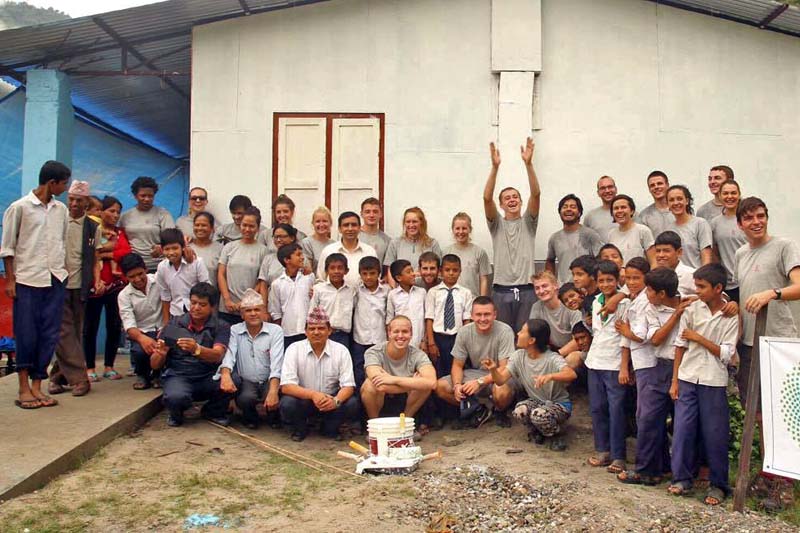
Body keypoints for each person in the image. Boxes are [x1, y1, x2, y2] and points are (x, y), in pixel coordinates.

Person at [1, 160, 71, 409]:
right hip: (27, 279)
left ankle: (37, 386)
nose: (65, 188)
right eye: (63, 183)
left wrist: (63, 273)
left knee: (49, 334)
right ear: (51, 183)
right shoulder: (19, 208)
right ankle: (22, 387)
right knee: (26, 333)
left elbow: (61, 242)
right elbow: (7, 248)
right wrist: (10, 280)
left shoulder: (60, 210)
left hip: (55, 277)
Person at [668, 264, 739, 506]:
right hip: (688, 377)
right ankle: (681, 479)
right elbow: (680, 345)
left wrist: (699, 338)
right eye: (696, 286)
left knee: (715, 434)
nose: (697, 291)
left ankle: (718, 485)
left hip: (713, 380)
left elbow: (727, 353)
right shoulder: (692, 309)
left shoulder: (730, 315)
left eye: (702, 287)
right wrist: (675, 380)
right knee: (682, 430)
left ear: (718, 288)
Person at [617, 267, 684, 485]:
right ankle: (647, 470)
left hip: (684, 368)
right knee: (647, 418)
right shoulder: (652, 308)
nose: (646, 294)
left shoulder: (689, 304)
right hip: (657, 365)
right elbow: (654, 339)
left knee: (682, 422)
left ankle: (680, 473)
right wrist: (675, 316)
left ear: (662, 293)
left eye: (650, 290)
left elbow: (716, 297)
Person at [734, 196, 800, 408]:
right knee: (756, 411)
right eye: (749, 218)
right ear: (740, 224)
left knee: (785, 408)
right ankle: (762, 444)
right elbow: (744, 294)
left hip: (779, 341)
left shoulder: (784, 246)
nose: (756, 222)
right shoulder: (740, 254)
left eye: (761, 216)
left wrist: (772, 293)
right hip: (749, 344)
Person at [483, 319, 577, 450]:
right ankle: (538, 430)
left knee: (538, 415)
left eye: (522, 331)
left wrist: (550, 376)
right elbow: (500, 380)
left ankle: (556, 435)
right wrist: (493, 369)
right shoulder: (518, 356)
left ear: (531, 340)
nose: (518, 333)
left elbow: (571, 374)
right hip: (537, 402)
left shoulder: (552, 357)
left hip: (559, 404)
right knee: (519, 410)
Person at [46, 180, 101, 396]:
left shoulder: (93, 227)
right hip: (57, 283)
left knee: (75, 332)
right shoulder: (58, 220)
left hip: (81, 285)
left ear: (86, 202)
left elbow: (95, 258)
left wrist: (96, 280)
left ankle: (57, 377)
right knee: (62, 330)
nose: (74, 204)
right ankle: (80, 379)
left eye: (79, 200)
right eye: (71, 199)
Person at [151, 282, 232, 427]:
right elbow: (154, 364)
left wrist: (197, 349)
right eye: (193, 302)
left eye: (202, 304)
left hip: (208, 375)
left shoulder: (222, 326)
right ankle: (176, 413)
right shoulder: (174, 323)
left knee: (235, 380)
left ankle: (212, 411)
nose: (196, 307)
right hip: (179, 375)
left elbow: (217, 355)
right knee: (176, 397)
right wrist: (161, 354)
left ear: (212, 307)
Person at [484, 138, 541, 332]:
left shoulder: (529, 223)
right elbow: (486, 198)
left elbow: (536, 194)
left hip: (527, 290)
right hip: (501, 291)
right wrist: (494, 168)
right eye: (507, 198)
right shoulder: (496, 225)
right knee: (504, 337)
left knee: (526, 338)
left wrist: (529, 164)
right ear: (501, 204)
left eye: (515, 197)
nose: (512, 200)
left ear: (521, 201)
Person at [434, 297, 517, 427]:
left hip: (499, 375)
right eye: (478, 314)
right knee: (440, 386)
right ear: (472, 315)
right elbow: (457, 365)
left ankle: (500, 411)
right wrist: (456, 385)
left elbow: (504, 368)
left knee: (501, 391)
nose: (483, 319)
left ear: (495, 314)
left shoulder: (505, 331)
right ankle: (478, 409)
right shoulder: (464, 331)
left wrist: (480, 382)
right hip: (475, 373)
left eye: (487, 314)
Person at [281, 306, 359, 441]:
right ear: (305, 332)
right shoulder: (294, 349)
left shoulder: (341, 350)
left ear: (330, 331)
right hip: (305, 400)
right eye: (312, 329)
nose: (316, 332)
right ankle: (300, 429)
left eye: (321, 328)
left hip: (331, 401)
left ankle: (330, 428)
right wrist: (313, 395)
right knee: (287, 403)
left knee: (352, 403)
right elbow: (287, 386)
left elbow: (348, 386)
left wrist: (335, 401)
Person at [585, 260, 630, 473]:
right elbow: (597, 331)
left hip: (614, 364)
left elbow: (624, 339)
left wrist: (624, 367)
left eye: (609, 280)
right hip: (595, 361)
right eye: (601, 280)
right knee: (597, 408)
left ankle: (619, 455)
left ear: (617, 280)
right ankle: (602, 450)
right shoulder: (596, 301)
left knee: (616, 409)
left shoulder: (625, 302)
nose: (605, 284)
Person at [217, 289, 284, 429]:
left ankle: (273, 415)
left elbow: (277, 363)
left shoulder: (275, 331)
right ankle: (250, 416)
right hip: (247, 380)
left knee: (275, 394)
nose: (253, 314)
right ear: (242, 314)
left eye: (257, 309)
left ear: (264, 312)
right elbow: (229, 355)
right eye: (248, 311)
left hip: (269, 379)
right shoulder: (235, 330)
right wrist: (225, 373)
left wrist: (273, 391)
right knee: (245, 399)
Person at [84, 195, 131, 383]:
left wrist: (105, 252)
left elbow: (125, 253)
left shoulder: (120, 232)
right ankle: (89, 367)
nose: (115, 215)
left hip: (116, 287)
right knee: (90, 327)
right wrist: (108, 252)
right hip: (94, 286)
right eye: (111, 211)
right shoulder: (91, 230)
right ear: (100, 212)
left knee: (113, 326)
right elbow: (89, 254)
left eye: (118, 211)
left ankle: (109, 366)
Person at [361, 316, 437, 423]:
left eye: (405, 331)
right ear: (389, 333)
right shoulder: (373, 352)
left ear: (411, 334)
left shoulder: (418, 354)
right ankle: (375, 427)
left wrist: (393, 379)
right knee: (369, 385)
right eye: (396, 331)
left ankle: (405, 424)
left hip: (407, 400)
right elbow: (380, 384)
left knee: (424, 386)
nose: (400, 336)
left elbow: (432, 383)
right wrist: (413, 383)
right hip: (381, 400)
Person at [425, 254, 473, 384]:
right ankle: (440, 402)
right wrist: (431, 342)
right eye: (447, 270)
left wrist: (465, 342)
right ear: (441, 271)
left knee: (457, 371)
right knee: (439, 372)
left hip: (458, 337)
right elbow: (429, 318)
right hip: (438, 338)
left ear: (460, 271)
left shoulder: (466, 293)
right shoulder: (433, 292)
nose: (451, 273)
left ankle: (457, 402)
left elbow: (467, 320)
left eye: (455, 270)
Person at [118, 253, 163, 390]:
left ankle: (158, 375)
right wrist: (142, 339)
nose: (138, 279)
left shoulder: (159, 280)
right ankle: (142, 374)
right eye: (132, 277)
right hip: (142, 332)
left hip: (163, 328)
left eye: (140, 274)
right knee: (140, 351)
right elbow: (129, 324)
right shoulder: (124, 296)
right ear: (126, 277)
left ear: (146, 270)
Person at [217, 206, 269, 325]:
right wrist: (227, 299)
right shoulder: (229, 247)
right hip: (227, 308)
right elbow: (221, 273)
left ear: (258, 228)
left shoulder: (263, 250)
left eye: (251, 226)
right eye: (244, 225)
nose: (247, 229)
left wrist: (245, 301)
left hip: (250, 309)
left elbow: (261, 281)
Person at [119, 176, 175, 272]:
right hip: (134, 267)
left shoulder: (163, 214)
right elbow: (120, 239)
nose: (147, 199)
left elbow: (172, 238)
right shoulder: (125, 216)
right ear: (135, 196)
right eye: (143, 196)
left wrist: (161, 247)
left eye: (150, 196)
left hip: (159, 266)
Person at [545, 194, 603, 283]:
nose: (568, 209)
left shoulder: (590, 235)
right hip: (564, 290)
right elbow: (550, 261)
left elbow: (600, 261)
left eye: (573, 207)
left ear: (579, 212)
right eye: (565, 207)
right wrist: (551, 282)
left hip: (586, 290)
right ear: (560, 212)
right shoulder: (554, 238)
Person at [352, 256, 390, 389]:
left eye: (372, 273)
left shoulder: (386, 291)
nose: (368, 277)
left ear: (379, 273)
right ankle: (360, 404)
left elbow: (389, 315)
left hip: (380, 340)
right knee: (359, 371)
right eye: (364, 274)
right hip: (360, 339)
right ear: (360, 274)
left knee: (379, 372)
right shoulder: (356, 290)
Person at [156, 228, 209, 323]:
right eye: (167, 249)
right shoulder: (162, 267)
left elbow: (207, 289)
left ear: (183, 247)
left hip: (197, 314)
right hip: (175, 314)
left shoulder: (196, 262)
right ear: (162, 249)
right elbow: (165, 295)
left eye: (175, 248)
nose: (171, 253)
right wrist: (166, 323)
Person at [268, 243, 315, 348]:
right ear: (287, 260)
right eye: (298, 255)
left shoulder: (309, 278)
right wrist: (278, 333)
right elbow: (275, 312)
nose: (302, 257)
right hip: (288, 332)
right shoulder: (277, 284)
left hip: (308, 330)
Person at [384, 207, 443, 286]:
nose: (411, 225)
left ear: (422, 223)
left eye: (414, 222)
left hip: (426, 292)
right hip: (402, 293)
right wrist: (394, 291)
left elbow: (438, 271)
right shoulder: (395, 243)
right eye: (408, 222)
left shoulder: (432, 244)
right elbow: (390, 270)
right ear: (404, 223)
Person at [317, 212, 377, 287]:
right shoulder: (328, 251)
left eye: (354, 225)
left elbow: (375, 279)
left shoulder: (369, 251)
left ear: (359, 228)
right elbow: (321, 280)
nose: (350, 229)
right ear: (339, 229)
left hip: (363, 297)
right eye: (346, 225)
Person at [710, 180, 747, 303]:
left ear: (739, 195)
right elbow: (715, 253)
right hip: (728, 284)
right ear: (720, 196)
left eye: (733, 193)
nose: (729, 197)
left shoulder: (748, 219)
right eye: (725, 193)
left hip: (747, 279)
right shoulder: (715, 223)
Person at [529, 271, 582, 354]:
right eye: (537, 288)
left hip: (576, 349)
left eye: (544, 286)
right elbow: (533, 335)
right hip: (552, 350)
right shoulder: (536, 307)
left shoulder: (569, 305)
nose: (541, 291)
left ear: (555, 286)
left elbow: (579, 339)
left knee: (573, 358)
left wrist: (557, 356)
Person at [310, 253, 356, 349]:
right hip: (323, 334)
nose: (336, 271)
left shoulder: (352, 290)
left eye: (340, 268)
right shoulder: (318, 289)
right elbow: (312, 313)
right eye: (332, 268)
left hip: (343, 335)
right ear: (326, 271)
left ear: (346, 271)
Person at [444, 212, 491, 297]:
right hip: (452, 301)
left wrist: (481, 301)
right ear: (453, 230)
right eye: (457, 228)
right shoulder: (446, 252)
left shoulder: (479, 252)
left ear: (470, 229)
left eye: (464, 228)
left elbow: (483, 279)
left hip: (472, 300)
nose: (461, 232)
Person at [666, 185, 712, 268]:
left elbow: (706, 258)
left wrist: (703, 278)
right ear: (668, 204)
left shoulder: (700, 224)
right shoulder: (669, 229)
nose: (676, 203)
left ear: (687, 201)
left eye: (679, 199)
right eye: (671, 200)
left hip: (697, 277)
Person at [386, 260, 427, 351]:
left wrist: (425, 340)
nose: (413, 274)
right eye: (409, 272)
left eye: (412, 270)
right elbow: (389, 320)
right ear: (399, 278)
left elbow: (426, 318)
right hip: (400, 342)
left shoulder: (422, 292)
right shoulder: (393, 295)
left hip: (419, 342)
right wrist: (391, 342)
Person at [607, 195, 655, 264]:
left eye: (623, 207)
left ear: (632, 211)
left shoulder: (643, 231)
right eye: (616, 208)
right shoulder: (611, 234)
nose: (619, 211)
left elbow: (653, 262)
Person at [257, 223, 300, 299]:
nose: (278, 240)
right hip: (273, 303)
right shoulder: (268, 259)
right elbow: (263, 285)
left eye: (282, 237)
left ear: (292, 238)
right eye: (276, 237)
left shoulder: (300, 257)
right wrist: (264, 306)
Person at [653, 231, 696, 297]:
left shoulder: (690, 275)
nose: (661, 255)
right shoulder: (653, 276)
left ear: (679, 252)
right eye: (658, 251)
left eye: (666, 251)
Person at [189, 212, 224, 288]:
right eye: (197, 225)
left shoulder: (220, 249)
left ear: (212, 228)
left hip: (210, 296)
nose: (200, 228)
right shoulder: (187, 248)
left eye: (204, 225)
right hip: (187, 296)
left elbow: (222, 275)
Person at [637, 171, 673, 239]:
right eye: (652, 185)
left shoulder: (679, 210)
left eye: (659, 183)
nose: (656, 187)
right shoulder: (644, 216)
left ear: (667, 185)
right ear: (649, 189)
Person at [300, 206, 335, 272]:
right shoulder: (306, 243)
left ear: (330, 223)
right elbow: (307, 270)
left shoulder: (334, 244)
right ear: (313, 223)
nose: (321, 225)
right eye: (318, 221)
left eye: (325, 221)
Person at [584, 175, 618, 241]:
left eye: (610, 187)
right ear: (598, 193)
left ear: (616, 189)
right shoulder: (590, 217)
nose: (607, 191)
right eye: (603, 188)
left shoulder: (629, 213)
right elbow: (586, 243)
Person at [359, 197, 391, 266]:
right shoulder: (354, 236)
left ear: (380, 214)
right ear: (361, 214)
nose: (371, 215)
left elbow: (387, 267)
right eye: (367, 212)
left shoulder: (386, 240)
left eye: (375, 212)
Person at [569, 255, 600, 321]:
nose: (575, 279)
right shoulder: (586, 300)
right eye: (573, 274)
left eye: (579, 274)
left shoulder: (604, 294)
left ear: (592, 275)